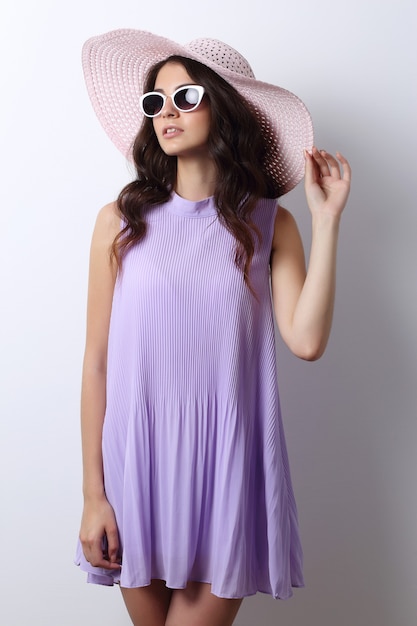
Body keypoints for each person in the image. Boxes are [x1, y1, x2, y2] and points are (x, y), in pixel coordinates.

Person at [75, 29, 351, 626]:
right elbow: (96, 361)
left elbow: (305, 341)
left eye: (186, 96)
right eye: (155, 101)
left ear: (223, 106)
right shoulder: (119, 222)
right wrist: (94, 496)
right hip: (136, 469)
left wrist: (325, 223)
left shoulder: (268, 225)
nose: (166, 111)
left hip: (225, 470)